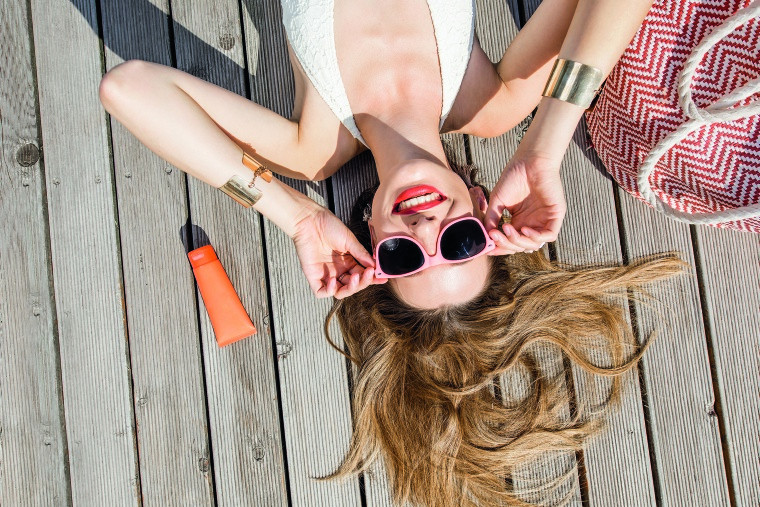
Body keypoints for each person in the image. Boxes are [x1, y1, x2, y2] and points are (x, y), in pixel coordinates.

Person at [99, 0, 682, 504]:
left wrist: (296, 216)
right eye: (459, 244)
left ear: (370, 237)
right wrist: (547, 144)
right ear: (484, 211)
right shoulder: (491, 105)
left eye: (406, 257)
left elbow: (128, 88)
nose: (427, 227)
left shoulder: (313, 148)